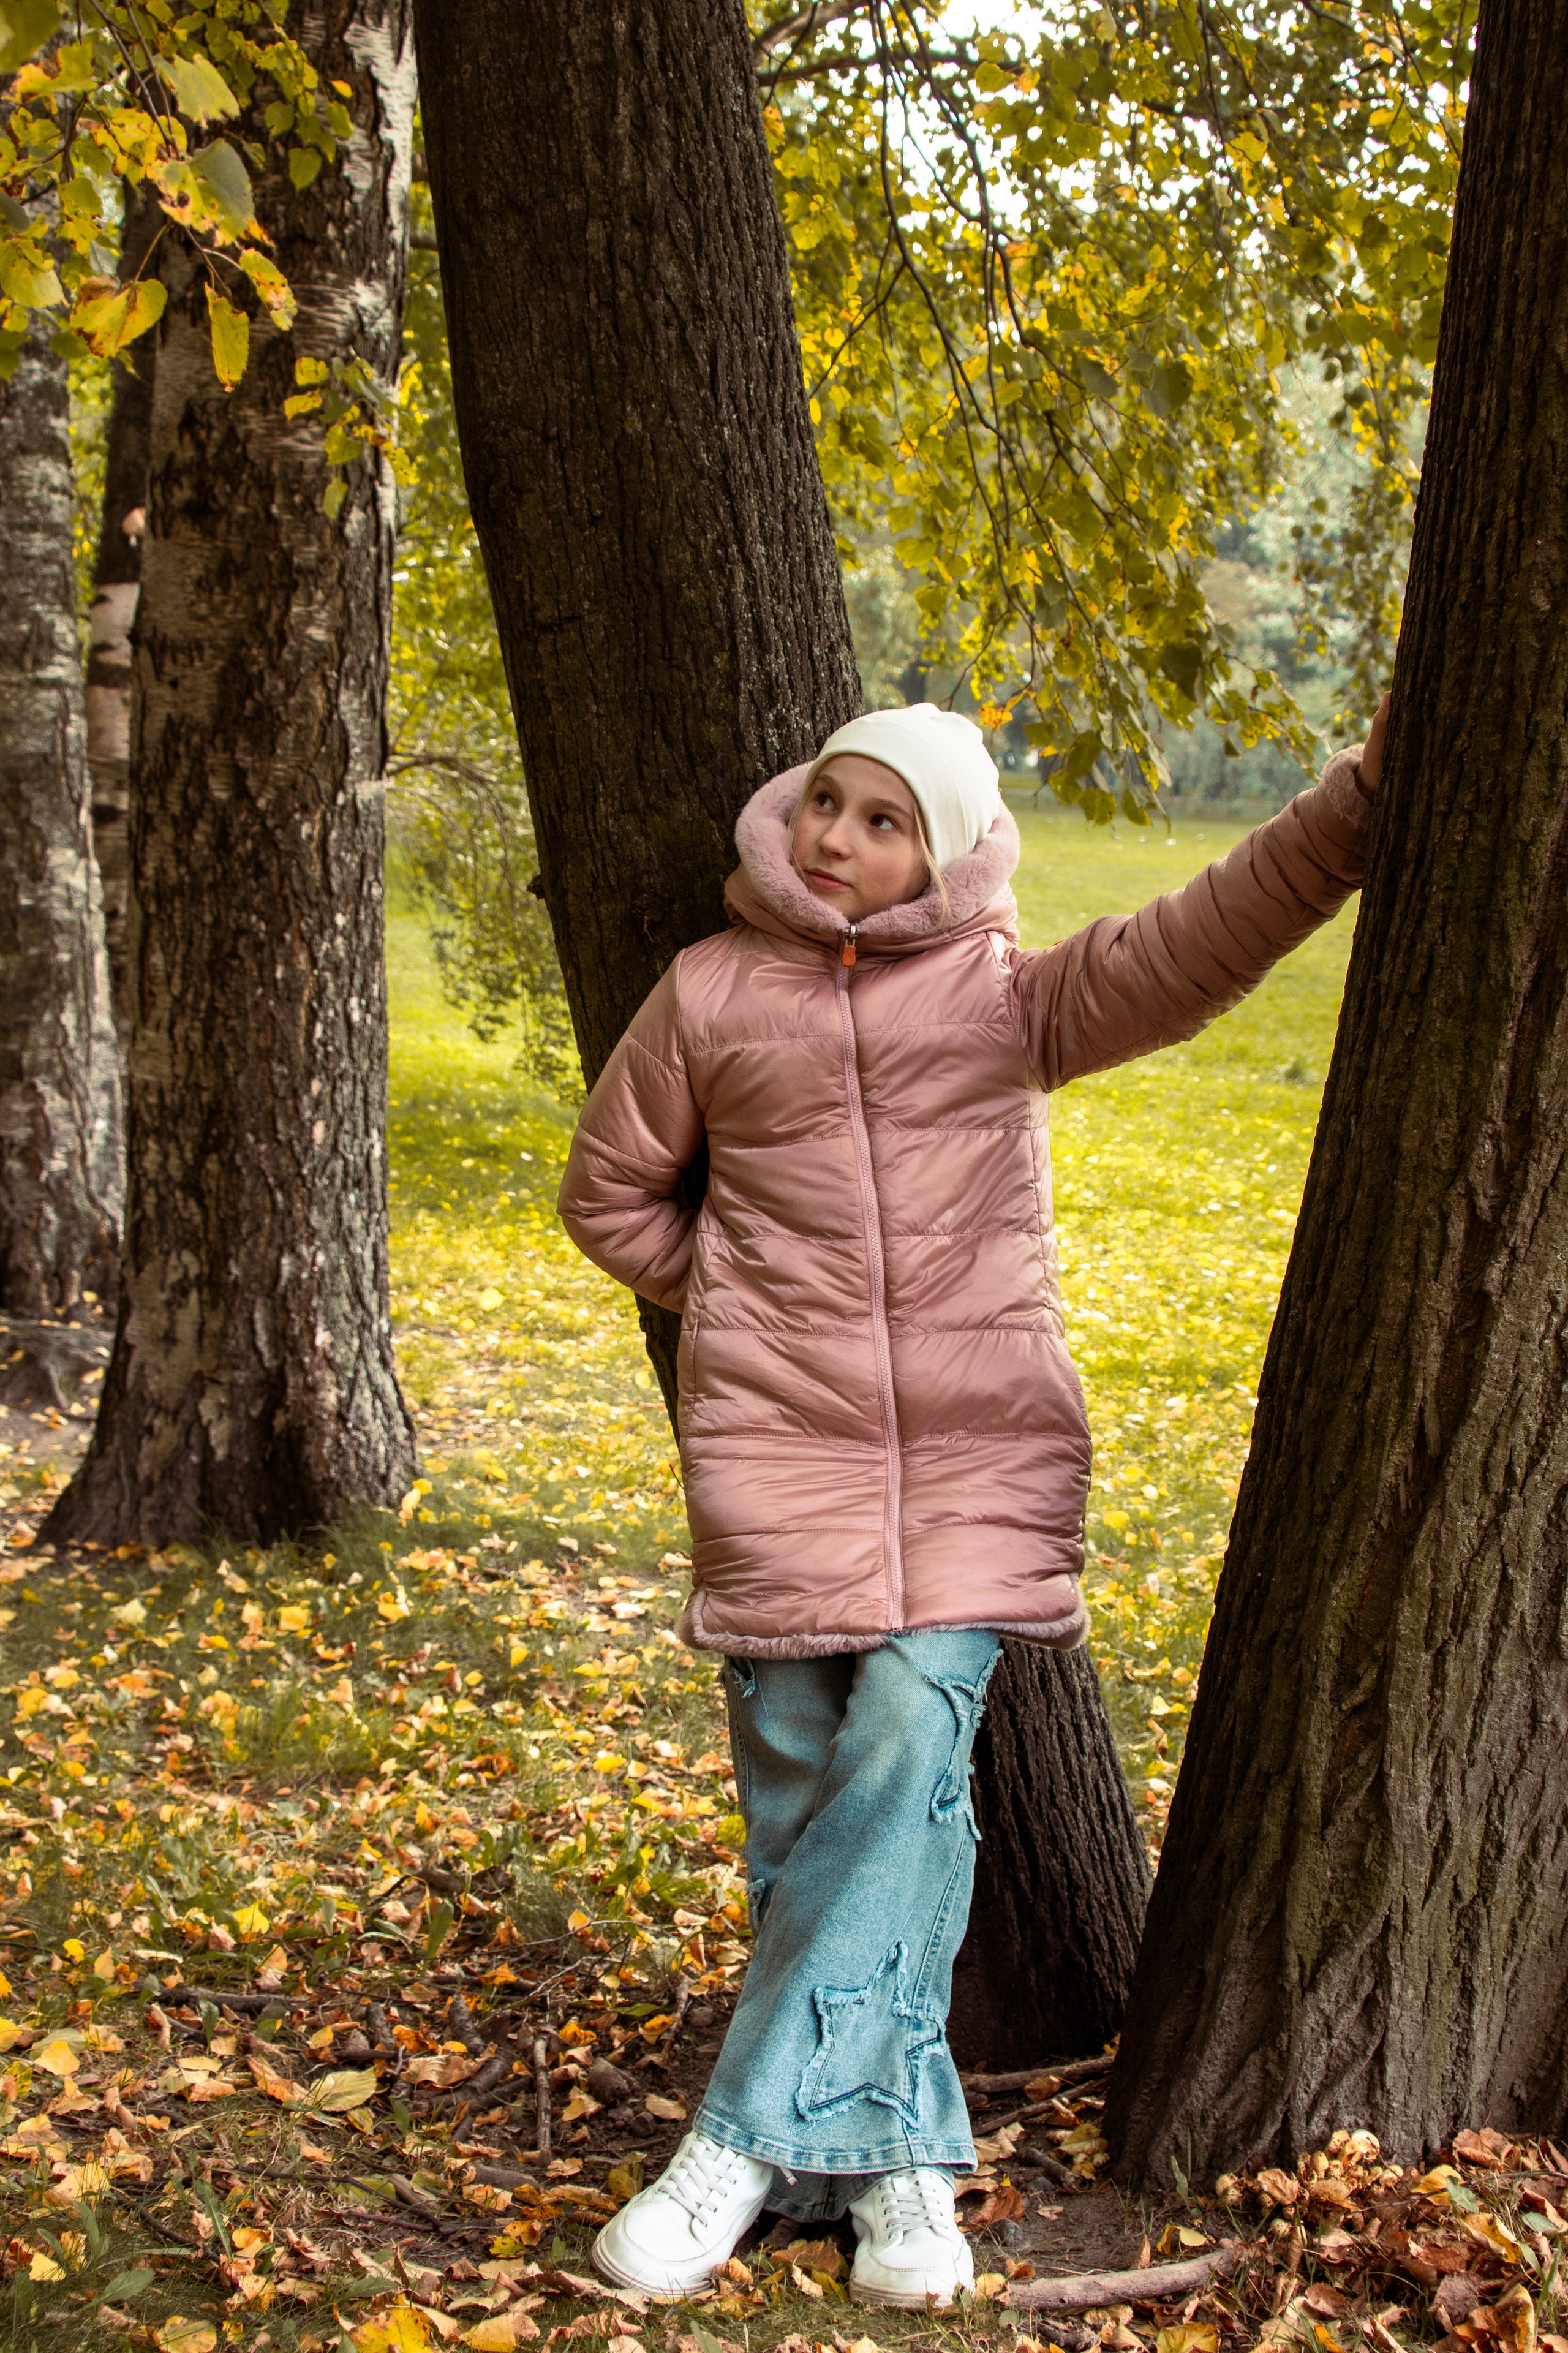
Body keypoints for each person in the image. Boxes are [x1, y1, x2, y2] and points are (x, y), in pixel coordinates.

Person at [557, 695, 1388, 2306]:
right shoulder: (711, 991)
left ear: (939, 854)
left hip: (974, 1470)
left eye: (885, 821)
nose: (838, 838)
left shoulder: (1004, 998)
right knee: (806, 1809)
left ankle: (732, 2145)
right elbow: (609, 1190)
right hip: (779, 1466)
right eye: (829, 801)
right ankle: (901, 2172)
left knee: (903, 1747)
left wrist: (1353, 806)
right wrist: (737, 1302)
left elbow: (1197, 940)